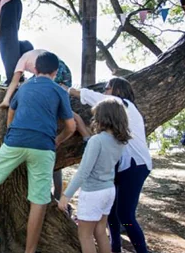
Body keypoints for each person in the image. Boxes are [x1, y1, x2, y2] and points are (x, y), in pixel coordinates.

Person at [0, 51, 76, 253]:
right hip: (44, 146)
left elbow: (11, 112)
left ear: (35, 69)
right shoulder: (60, 91)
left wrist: (11, 133)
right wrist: (57, 139)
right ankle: (29, 251)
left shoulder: (24, 87)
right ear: (55, 72)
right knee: (38, 200)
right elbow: (71, 126)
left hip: (16, 140)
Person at [65, 77, 152, 253]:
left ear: (117, 90)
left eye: (107, 88)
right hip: (124, 166)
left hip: (135, 166)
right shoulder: (122, 122)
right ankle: (115, 248)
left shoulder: (121, 103)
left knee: (126, 215)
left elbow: (93, 97)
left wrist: (69, 91)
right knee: (111, 213)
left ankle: (142, 250)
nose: (104, 91)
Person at [58, 99, 131, 253]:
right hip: (108, 190)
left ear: (104, 118)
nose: (94, 119)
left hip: (93, 192)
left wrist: (66, 195)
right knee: (100, 231)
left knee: (85, 235)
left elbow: (84, 171)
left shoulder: (96, 141)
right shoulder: (120, 141)